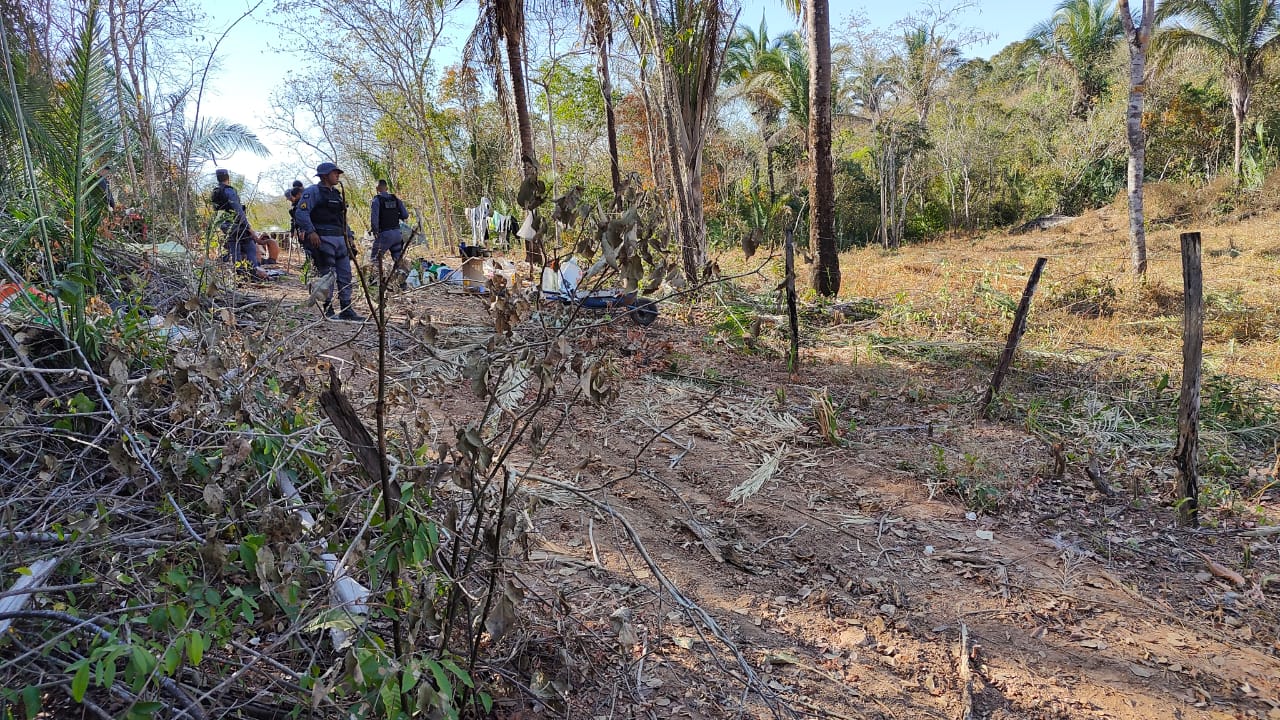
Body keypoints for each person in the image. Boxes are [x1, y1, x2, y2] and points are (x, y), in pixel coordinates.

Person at [294, 162, 364, 322]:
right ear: (325, 175)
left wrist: (350, 236)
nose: (337, 176)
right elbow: (301, 213)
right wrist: (311, 231)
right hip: (323, 240)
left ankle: (346, 309)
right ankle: (328, 309)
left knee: (345, 275)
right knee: (328, 275)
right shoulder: (313, 192)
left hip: (340, 239)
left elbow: (342, 218)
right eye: (334, 173)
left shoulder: (337, 195)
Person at [210, 168, 267, 279]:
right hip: (237, 225)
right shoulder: (229, 191)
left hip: (225, 225)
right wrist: (248, 227)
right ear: (228, 178)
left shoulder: (215, 192)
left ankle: (239, 276)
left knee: (234, 250)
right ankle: (253, 274)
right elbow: (238, 210)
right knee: (250, 246)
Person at [370, 179, 409, 280]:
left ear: (377, 189)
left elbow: (374, 219)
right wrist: (395, 215)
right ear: (386, 188)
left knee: (375, 258)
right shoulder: (395, 199)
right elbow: (405, 215)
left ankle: (375, 282)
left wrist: (375, 231)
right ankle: (402, 282)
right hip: (397, 234)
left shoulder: (376, 200)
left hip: (385, 234)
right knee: (397, 258)